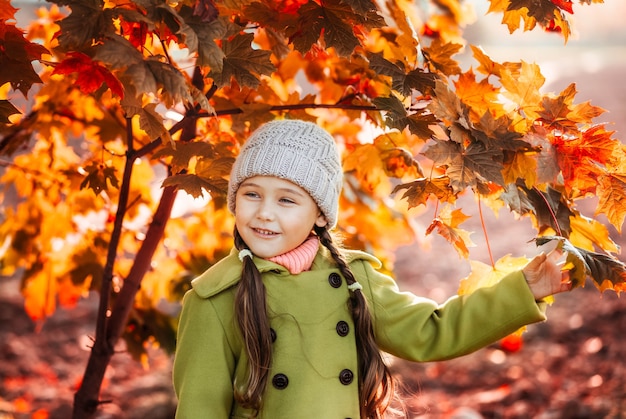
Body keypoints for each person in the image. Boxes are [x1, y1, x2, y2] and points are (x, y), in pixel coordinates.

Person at [172, 119, 572, 419]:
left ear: (320, 216)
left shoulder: (352, 281)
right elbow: (198, 410)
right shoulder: (214, 299)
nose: (264, 213)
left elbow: (431, 331)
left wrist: (523, 289)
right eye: (252, 194)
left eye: (287, 200)